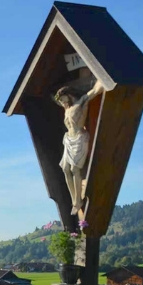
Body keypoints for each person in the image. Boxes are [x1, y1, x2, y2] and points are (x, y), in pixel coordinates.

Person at [54, 79, 104, 214]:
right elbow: (54, 99)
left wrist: (102, 80)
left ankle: (77, 200)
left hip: (79, 138)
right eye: (61, 101)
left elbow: (95, 90)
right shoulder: (67, 108)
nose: (63, 103)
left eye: (64, 99)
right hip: (69, 139)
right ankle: (73, 199)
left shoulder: (81, 102)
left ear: (69, 95)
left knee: (75, 169)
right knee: (65, 168)